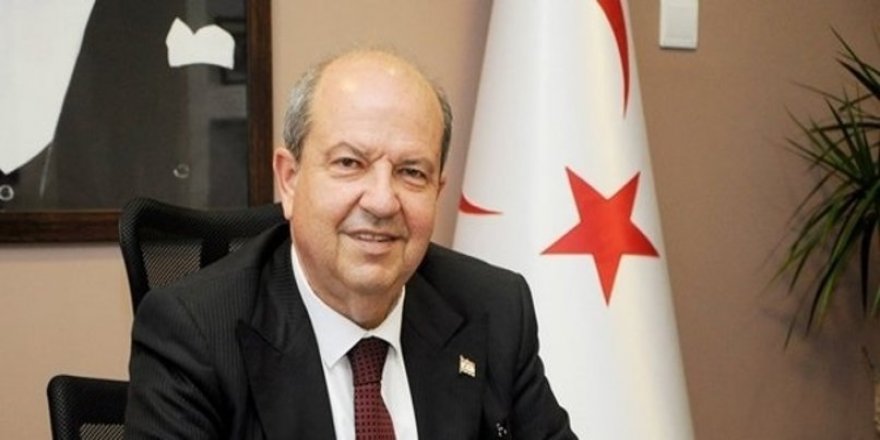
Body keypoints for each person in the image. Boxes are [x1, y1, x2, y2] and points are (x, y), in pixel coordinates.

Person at [124, 49, 576, 439]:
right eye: (349, 163)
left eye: (411, 172)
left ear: (437, 191)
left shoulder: (493, 309)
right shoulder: (194, 334)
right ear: (290, 179)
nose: (382, 201)